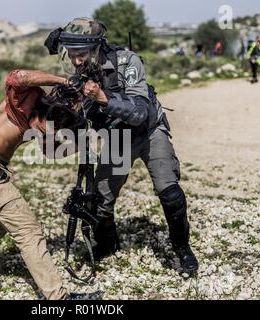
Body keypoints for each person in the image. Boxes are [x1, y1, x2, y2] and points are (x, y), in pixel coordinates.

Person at [45, 18, 199, 275]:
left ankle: (182, 247)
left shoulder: (127, 61)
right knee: (99, 200)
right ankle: (107, 244)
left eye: (81, 55)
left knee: (169, 192)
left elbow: (139, 112)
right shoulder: (79, 74)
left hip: (149, 132)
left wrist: (102, 97)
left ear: (95, 49)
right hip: (117, 138)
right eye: (71, 56)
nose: (76, 62)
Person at [0, 69, 96, 300]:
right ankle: (59, 298)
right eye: (46, 128)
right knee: (29, 232)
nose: (45, 133)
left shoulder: (43, 119)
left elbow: (49, 152)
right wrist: (65, 81)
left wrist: (81, 145)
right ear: (42, 111)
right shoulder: (22, 101)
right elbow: (18, 77)